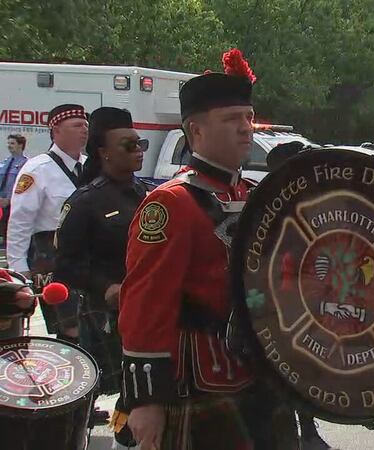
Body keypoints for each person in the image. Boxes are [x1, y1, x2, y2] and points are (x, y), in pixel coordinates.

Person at [117, 49, 297, 450]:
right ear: (195, 132)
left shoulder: (253, 194)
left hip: (258, 370)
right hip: (198, 375)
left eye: (248, 118)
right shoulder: (171, 203)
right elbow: (146, 301)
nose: (246, 129)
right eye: (232, 119)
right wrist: (146, 400)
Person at [54, 107, 151, 397]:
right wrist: (105, 286)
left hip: (146, 308)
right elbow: (65, 265)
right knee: (110, 393)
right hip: (105, 314)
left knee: (145, 391)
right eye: (129, 145)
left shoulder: (146, 193)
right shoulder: (86, 201)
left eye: (140, 143)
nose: (139, 150)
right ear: (104, 152)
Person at [6, 104, 87, 343]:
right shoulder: (38, 169)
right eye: (77, 125)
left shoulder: (90, 165)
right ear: (57, 130)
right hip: (52, 255)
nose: (84, 130)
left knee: (92, 322)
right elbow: (20, 221)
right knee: (70, 326)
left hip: (88, 253)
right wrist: (18, 269)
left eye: (85, 125)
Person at [0, 134, 28, 241]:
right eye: (8, 143)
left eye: (12, 143)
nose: (9, 145)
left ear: (20, 145)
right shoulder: (4, 163)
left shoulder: (26, 164)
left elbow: (23, 185)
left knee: (11, 236)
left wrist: (9, 199)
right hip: (1, 204)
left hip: (15, 205)